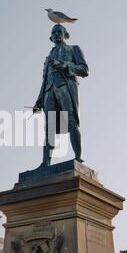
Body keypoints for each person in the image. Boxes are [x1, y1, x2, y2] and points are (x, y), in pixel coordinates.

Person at [34, 24, 89, 166]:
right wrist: (39, 101)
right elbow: (44, 80)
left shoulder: (73, 49)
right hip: (49, 92)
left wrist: (65, 65)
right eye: (54, 32)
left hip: (65, 87)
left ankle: (78, 158)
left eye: (60, 32)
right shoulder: (47, 59)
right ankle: (45, 162)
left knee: (71, 122)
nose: (57, 34)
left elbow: (84, 69)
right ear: (50, 37)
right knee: (49, 127)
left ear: (66, 34)